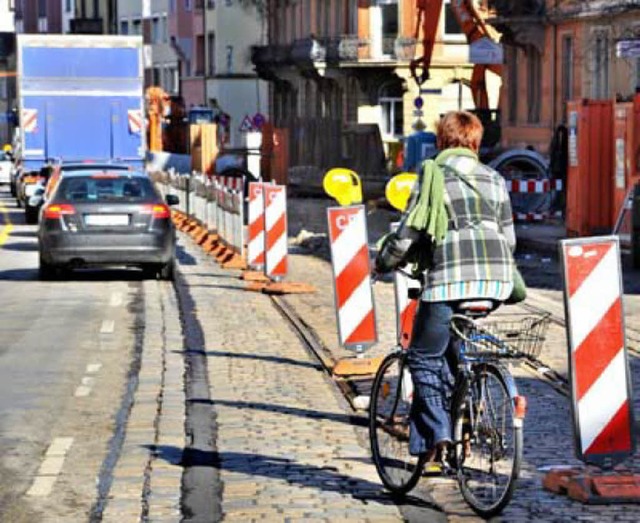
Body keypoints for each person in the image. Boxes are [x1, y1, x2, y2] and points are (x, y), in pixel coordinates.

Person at [375, 111, 516, 465]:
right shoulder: (495, 178)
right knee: (451, 351)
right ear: (475, 142)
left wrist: (384, 260)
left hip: (449, 282)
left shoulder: (433, 172)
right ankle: (464, 415)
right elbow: (510, 239)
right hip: (495, 283)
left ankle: (439, 431)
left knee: (422, 356)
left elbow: (409, 230)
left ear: (441, 141)